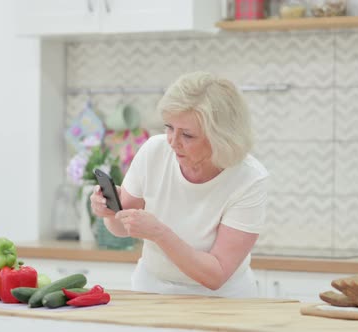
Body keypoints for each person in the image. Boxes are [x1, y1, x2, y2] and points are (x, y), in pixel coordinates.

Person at [90, 71, 269, 298]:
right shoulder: (154, 151)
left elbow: (216, 275)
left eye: (187, 135)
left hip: (223, 300)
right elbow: (121, 228)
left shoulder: (248, 178)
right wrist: (108, 211)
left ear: (221, 138)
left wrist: (159, 233)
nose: (173, 142)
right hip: (151, 290)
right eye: (169, 127)